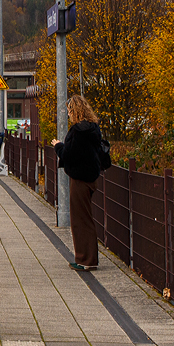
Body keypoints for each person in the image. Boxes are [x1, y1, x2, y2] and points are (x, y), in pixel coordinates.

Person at [53, 94, 106, 271]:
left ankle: (86, 260)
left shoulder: (77, 131)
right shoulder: (93, 128)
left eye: (69, 111)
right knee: (86, 218)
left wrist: (58, 145)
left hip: (80, 179)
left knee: (80, 220)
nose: (68, 114)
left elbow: (69, 155)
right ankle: (87, 258)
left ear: (74, 111)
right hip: (91, 177)